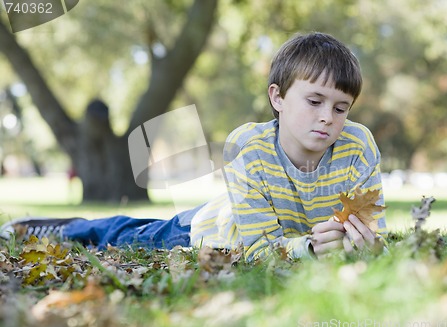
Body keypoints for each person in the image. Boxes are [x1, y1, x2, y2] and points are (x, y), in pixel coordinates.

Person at [0, 32, 386, 261]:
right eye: (314, 101)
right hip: (214, 230)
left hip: (263, 223)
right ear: (278, 97)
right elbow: (256, 252)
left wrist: (367, 247)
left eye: (341, 108)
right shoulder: (247, 147)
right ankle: (53, 229)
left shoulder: (357, 145)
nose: (327, 118)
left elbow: (374, 232)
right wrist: (311, 250)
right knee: (128, 234)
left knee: (133, 228)